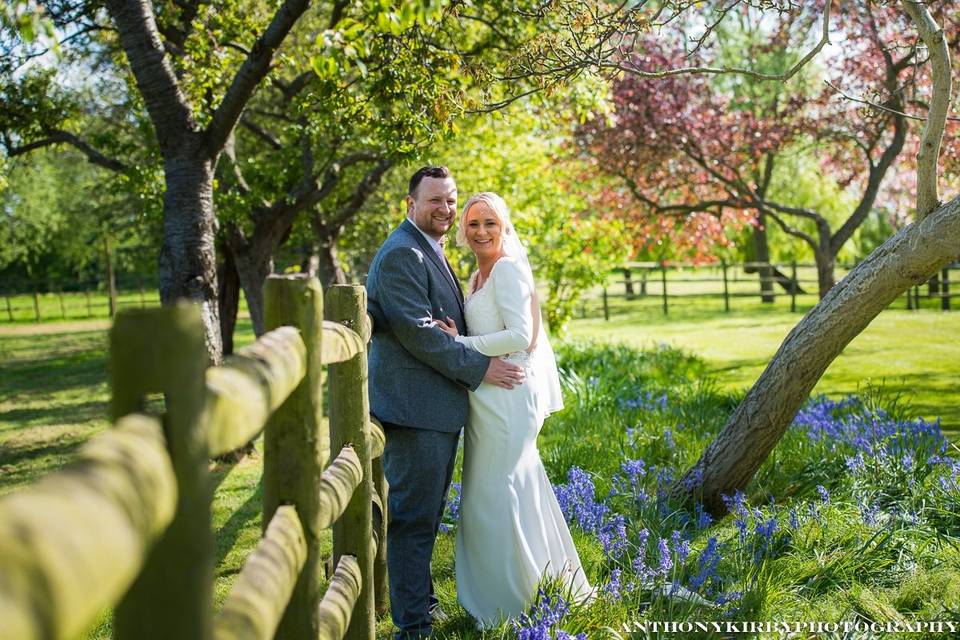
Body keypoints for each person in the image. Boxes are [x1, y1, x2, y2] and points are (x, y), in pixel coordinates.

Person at [365, 167, 526, 640]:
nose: (445, 209)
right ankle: (413, 627)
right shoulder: (401, 254)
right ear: (410, 203)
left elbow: (440, 324)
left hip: (432, 407)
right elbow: (417, 334)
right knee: (414, 521)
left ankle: (421, 608)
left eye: (450, 200)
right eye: (434, 200)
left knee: (426, 516)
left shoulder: (425, 247)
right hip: (414, 410)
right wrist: (480, 368)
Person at [435, 192, 592, 628]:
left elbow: (521, 336)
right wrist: (460, 337)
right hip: (485, 398)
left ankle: (511, 601)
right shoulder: (475, 277)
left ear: (504, 226)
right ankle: (534, 586)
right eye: (473, 224)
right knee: (500, 489)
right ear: (463, 231)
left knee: (498, 492)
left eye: (490, 223)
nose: (481, 231)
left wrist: (459, 344)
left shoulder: (506, 270)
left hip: (508, 396)